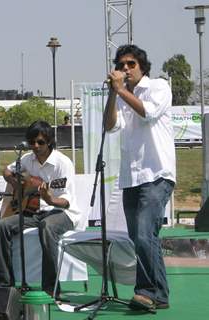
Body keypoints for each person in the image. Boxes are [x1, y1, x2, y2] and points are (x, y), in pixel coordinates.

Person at [105, 44, 176, 310]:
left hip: (156, 174)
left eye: (131, 64)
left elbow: (148, 113)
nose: (125, 69)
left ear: (142, 67)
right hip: (131, 177)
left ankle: (145, 291)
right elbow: (110, 126)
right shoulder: (121, 96)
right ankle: (160, 294)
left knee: (146, 235)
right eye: (121, 65)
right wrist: (114, 96)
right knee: (143, 238)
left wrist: (121, 90)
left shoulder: (158, 87)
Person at [0, 120, 80, 296]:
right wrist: (18, 185)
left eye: (40, 142)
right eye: (32, 142)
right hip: (33, 212)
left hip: (62, 213)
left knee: (46, 226)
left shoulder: (63, 163)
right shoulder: (26, 159)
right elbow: (7, 171)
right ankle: (5, 284)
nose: (36, 146)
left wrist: (49, 198)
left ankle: (50, 288)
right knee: (2, 226)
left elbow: (66, 201)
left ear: (49, 141)